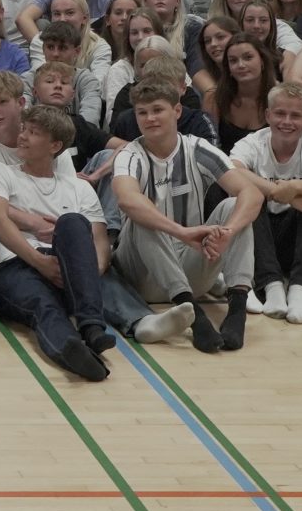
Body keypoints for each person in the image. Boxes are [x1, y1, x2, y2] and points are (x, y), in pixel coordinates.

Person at [110, 79, 264, 353]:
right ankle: (196, 317)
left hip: (191, 266)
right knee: (142, 214)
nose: (150, 118)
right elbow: (127, 199)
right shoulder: (129, 154)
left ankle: (237, 309)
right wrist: (180, 232)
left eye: (157, 110)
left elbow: (251, 193)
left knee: (234, 207)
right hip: (143, 273)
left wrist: (228, 233)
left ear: (177, 111)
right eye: (142, 112)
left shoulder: (197, 148)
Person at [0, 104, 114, 382]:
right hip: (17, 264)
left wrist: (86, 274)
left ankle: (91, 327)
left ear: (55, 146)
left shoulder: (79, 187)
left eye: (33, 132)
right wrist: (40, 262)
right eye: (24, 129)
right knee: (44, 306)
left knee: (72, 221)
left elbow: (100, 241)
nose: (22, 136)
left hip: (69, 267)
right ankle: (70, 350)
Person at [227, 81, 302, 325]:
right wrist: (277, 192)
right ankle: (271, 285)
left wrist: (296, 188)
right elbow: (231, 170)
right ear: (267, 115)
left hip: (292, 241)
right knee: (251, 196)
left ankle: (299, 290)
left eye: (295, 115)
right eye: (280, 113)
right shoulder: (253, 143)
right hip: (256, 242)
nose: (287, 121)